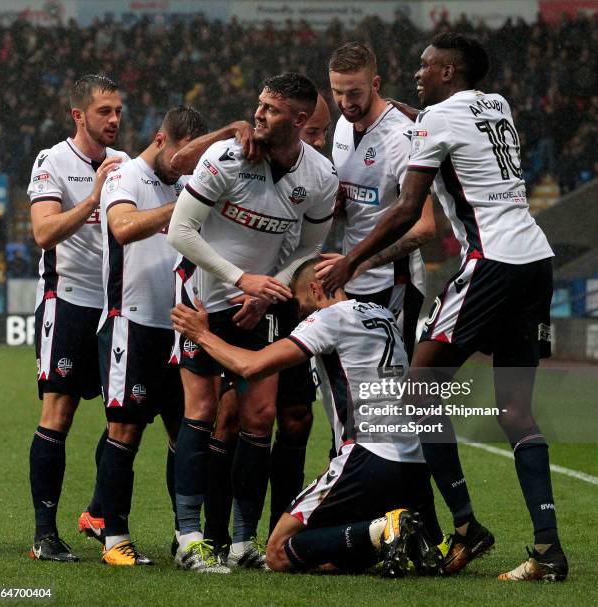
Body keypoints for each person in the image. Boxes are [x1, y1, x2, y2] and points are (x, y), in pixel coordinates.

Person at [323, 33, 567, 582]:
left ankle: (464, 526)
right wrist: (413, 114)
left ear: (450, 72)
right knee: (515, 411)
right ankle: (548, 550)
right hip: (535, 260)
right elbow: (440, 121)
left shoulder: (436, 121)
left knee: (416, 391)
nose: (419, 71)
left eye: (428, 65)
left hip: (492, 262)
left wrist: (351, 262)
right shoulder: (494, 104)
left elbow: (409, 207)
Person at [170, 258, 444, 576]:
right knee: (321, 553)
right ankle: (393, 534)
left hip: (367, 455)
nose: (302, 314)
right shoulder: (383, 314)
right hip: (412, 461)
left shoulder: (328, 318)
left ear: (315, 289)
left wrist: (201, 334)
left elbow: (251, 366)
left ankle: (382, 530)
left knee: (277, 553)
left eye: (301, 306)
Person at [166, 73, 339, 571]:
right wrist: (242, 279)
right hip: (205, 300)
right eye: (259, 104)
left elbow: (308, 247)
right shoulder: (226, 158)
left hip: (259, 303)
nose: (258, 114)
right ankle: (190, 536)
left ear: (300, 120)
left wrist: (266, 293)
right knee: (199, 411)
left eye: (271, 108)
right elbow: (181, 230)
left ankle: (243, 542)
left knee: (260, 416)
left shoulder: (320, 178)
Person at [96, 105, 209, 566]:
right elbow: (121, 228)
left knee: (185, 433)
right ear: (162, 141)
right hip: (131, 321)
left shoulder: (183, 181)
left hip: (179, 325)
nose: (187, 171)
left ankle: (186, 536)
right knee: (124, 431)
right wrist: (178, 208)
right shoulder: (127, 177)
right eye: (183, 159)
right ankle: (114, 539)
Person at [27, 75, 126, 562]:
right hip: (66, 301)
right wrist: (92, 198)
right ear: (78, 115)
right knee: (59, 413)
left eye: (118, 111)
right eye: (104, 111)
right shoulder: (53, 161)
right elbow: (44, 233)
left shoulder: (126, 164)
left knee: (124, 416)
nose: (114, 120)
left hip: (116, 308)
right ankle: (45, 535)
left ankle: (96, 513)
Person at [315, 42, 435, 359]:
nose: (344, 102)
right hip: (351, 275)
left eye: (353, 93)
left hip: (394, 281)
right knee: (363, 386)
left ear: (376, 84)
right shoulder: (341, 126)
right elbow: (355, 204)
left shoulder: (403, 138)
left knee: (399, 387)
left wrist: (358, 261)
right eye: (336, 92)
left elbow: (424, 227)